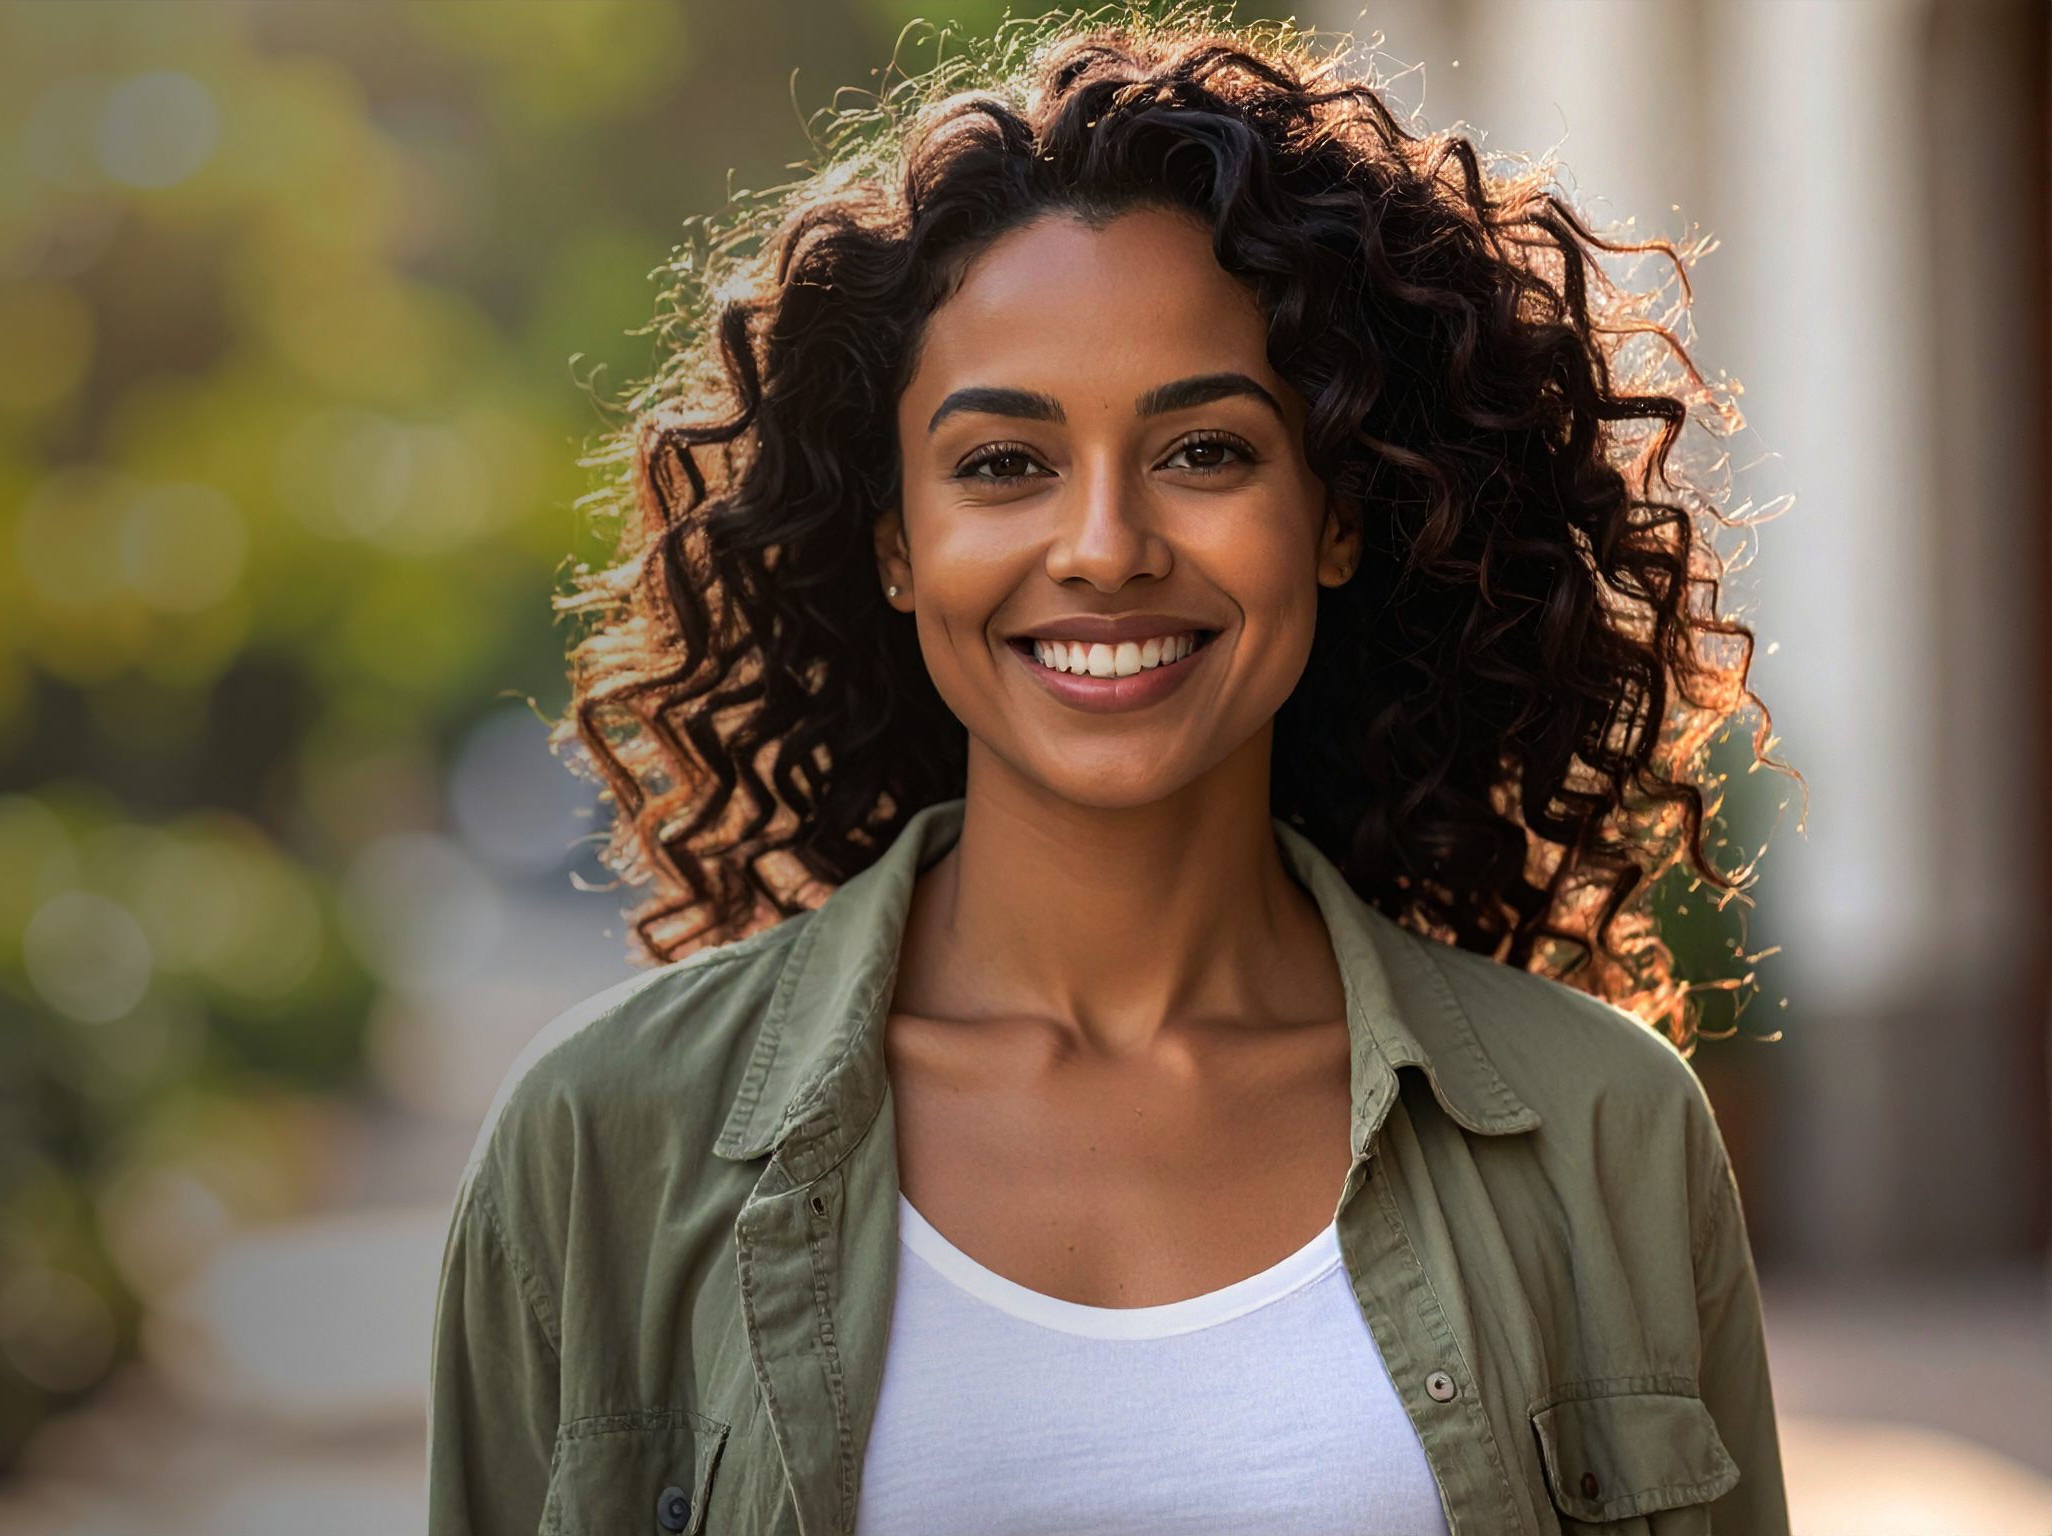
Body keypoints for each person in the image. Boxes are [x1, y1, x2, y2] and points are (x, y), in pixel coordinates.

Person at [430, 17, 1785, 1536]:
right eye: (1003, 464)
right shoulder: (602, 1146)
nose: (1102, 547)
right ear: (894, 544)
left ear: (1336, 516)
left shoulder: (1608, 1133)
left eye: (1204, 451)